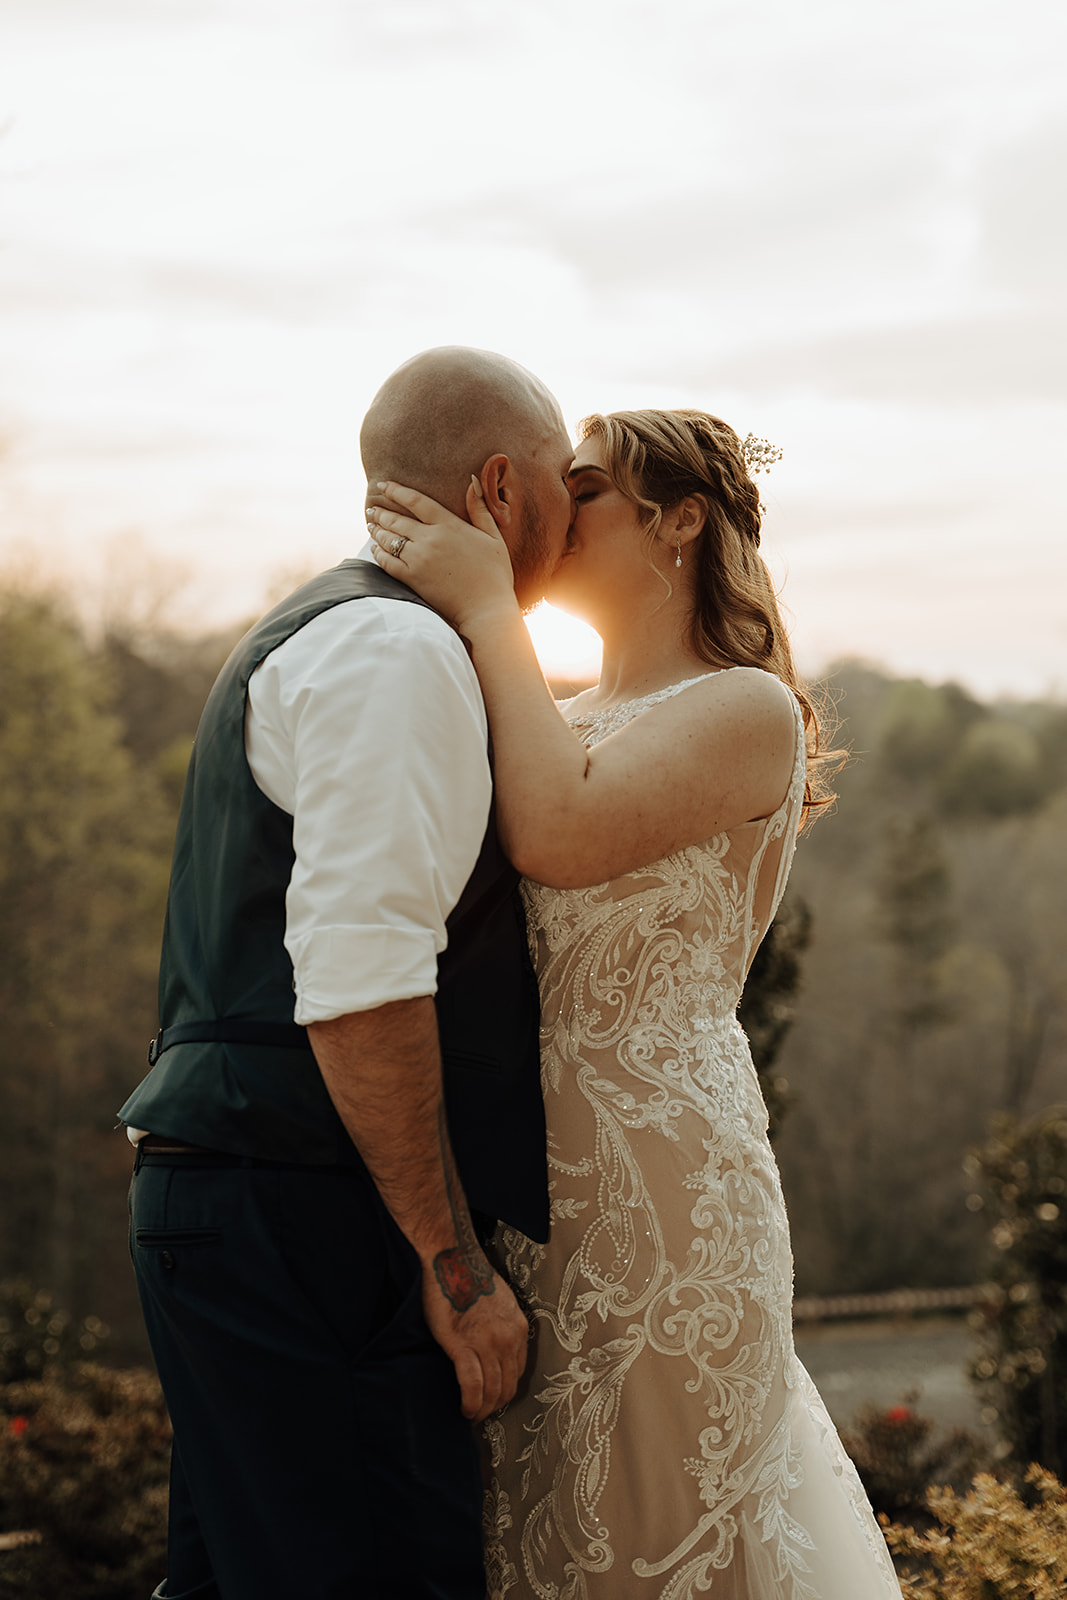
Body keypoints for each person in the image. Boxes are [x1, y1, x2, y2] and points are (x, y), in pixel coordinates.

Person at [367, 408, 901, 1599]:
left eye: (589, 488)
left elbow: (557, 833)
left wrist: (486, 607)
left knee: (662, 1530)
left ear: (681, 520)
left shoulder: (744, 708)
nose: (558, 509)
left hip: (667, 1199)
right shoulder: (552, 719)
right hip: (525, 1197)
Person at [118, 346, 576, 1600]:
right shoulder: (393, 654)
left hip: (242, 1194)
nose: (577, 506)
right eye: (563, 479)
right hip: (307, 1216)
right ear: (497, 486)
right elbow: (363, 981)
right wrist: (450, 1265)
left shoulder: (325, 624)